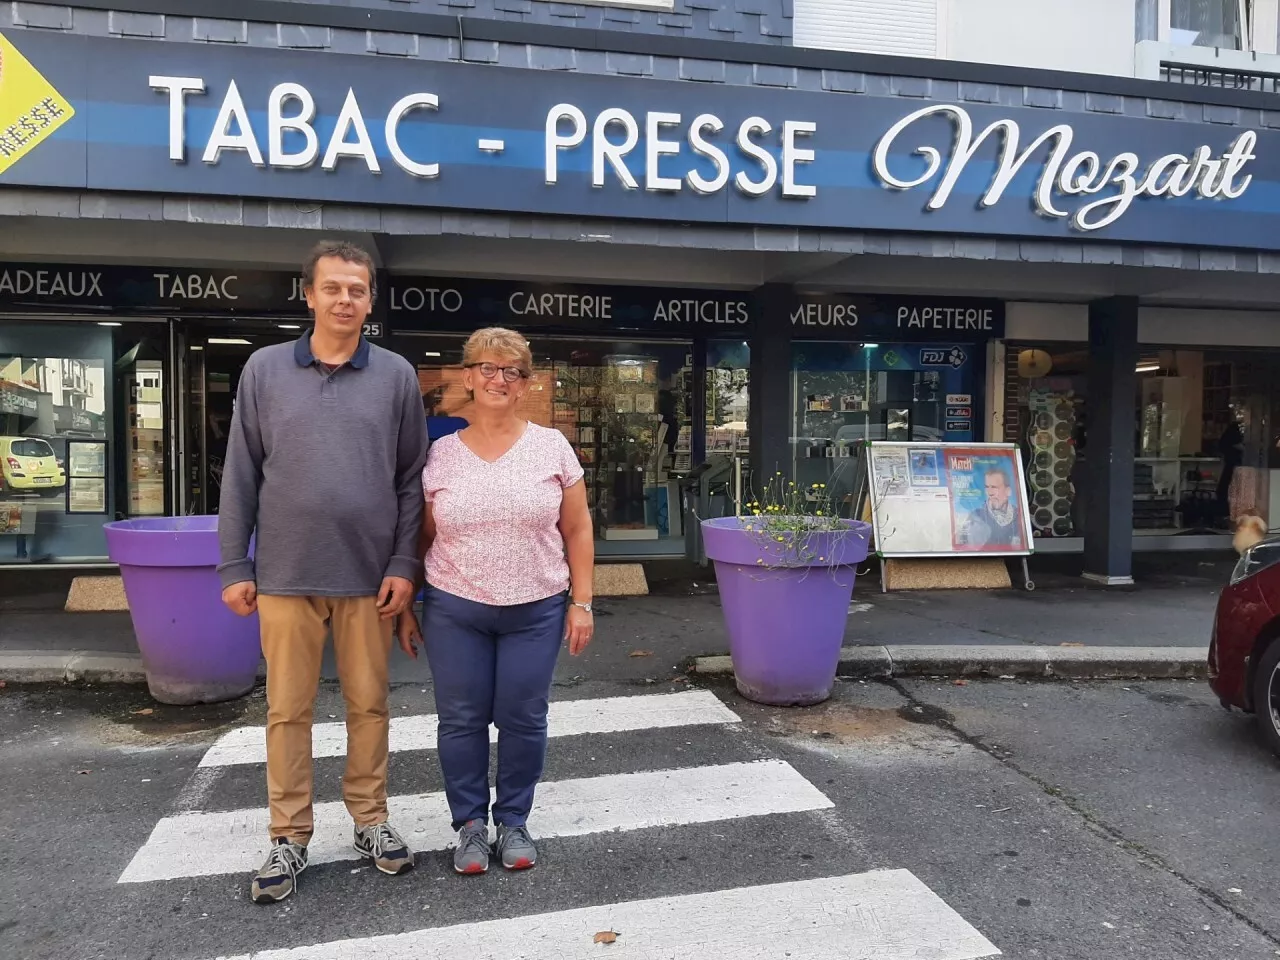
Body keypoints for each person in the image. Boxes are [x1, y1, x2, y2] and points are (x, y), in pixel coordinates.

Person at [217, 240, 428, 904]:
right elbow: (240, 474)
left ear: (371, 300)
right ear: (307, 294)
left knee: (370, 705)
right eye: (332, 288)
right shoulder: (263, 370)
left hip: (369, 577)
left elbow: (411, 481)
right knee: (287, 710)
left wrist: (403, 563)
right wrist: (233, 562)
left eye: (357, 290)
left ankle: (370, 821)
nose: (345, 300)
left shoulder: (395, 375)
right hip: (282, 573)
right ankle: (290, 833)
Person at [398, 326, 595, 875]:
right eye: (487, 367)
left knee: (524, 717)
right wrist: (409, 603)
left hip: (535, 608)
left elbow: (578, 529)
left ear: (526, 384)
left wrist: (582, 602)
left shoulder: (552, 447)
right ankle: (469, 826)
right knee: (459, 719)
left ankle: (513, 820)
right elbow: (422, 537)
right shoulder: (440, 455)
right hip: (455, 607)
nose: (498, 379)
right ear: (467, 377)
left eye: (512, 371)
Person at [959, 467, 1021, 548]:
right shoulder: (976, 517)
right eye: (987, 487)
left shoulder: (1020, 517)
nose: (990, 493)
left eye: (994, 487)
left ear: (1008, 491)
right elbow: (963, 546)